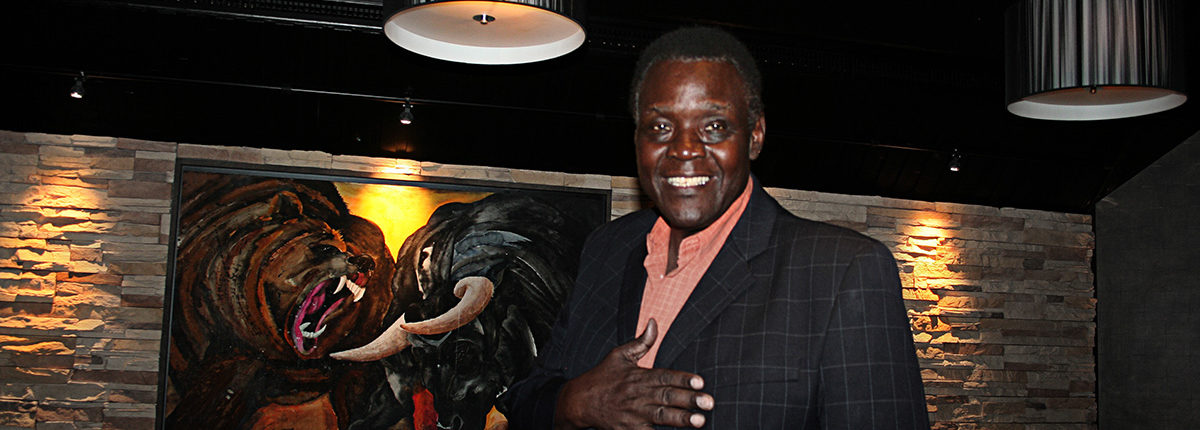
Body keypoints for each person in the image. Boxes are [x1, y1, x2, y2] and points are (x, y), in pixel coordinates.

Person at [504, 27, 929, 429]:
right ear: (637, 140)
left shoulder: (843, 272)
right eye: (660, 127)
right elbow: (524, 403)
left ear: (755, 135)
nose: (684, 149)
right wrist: (577, 402)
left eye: (714, 127)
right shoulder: (606, 249)